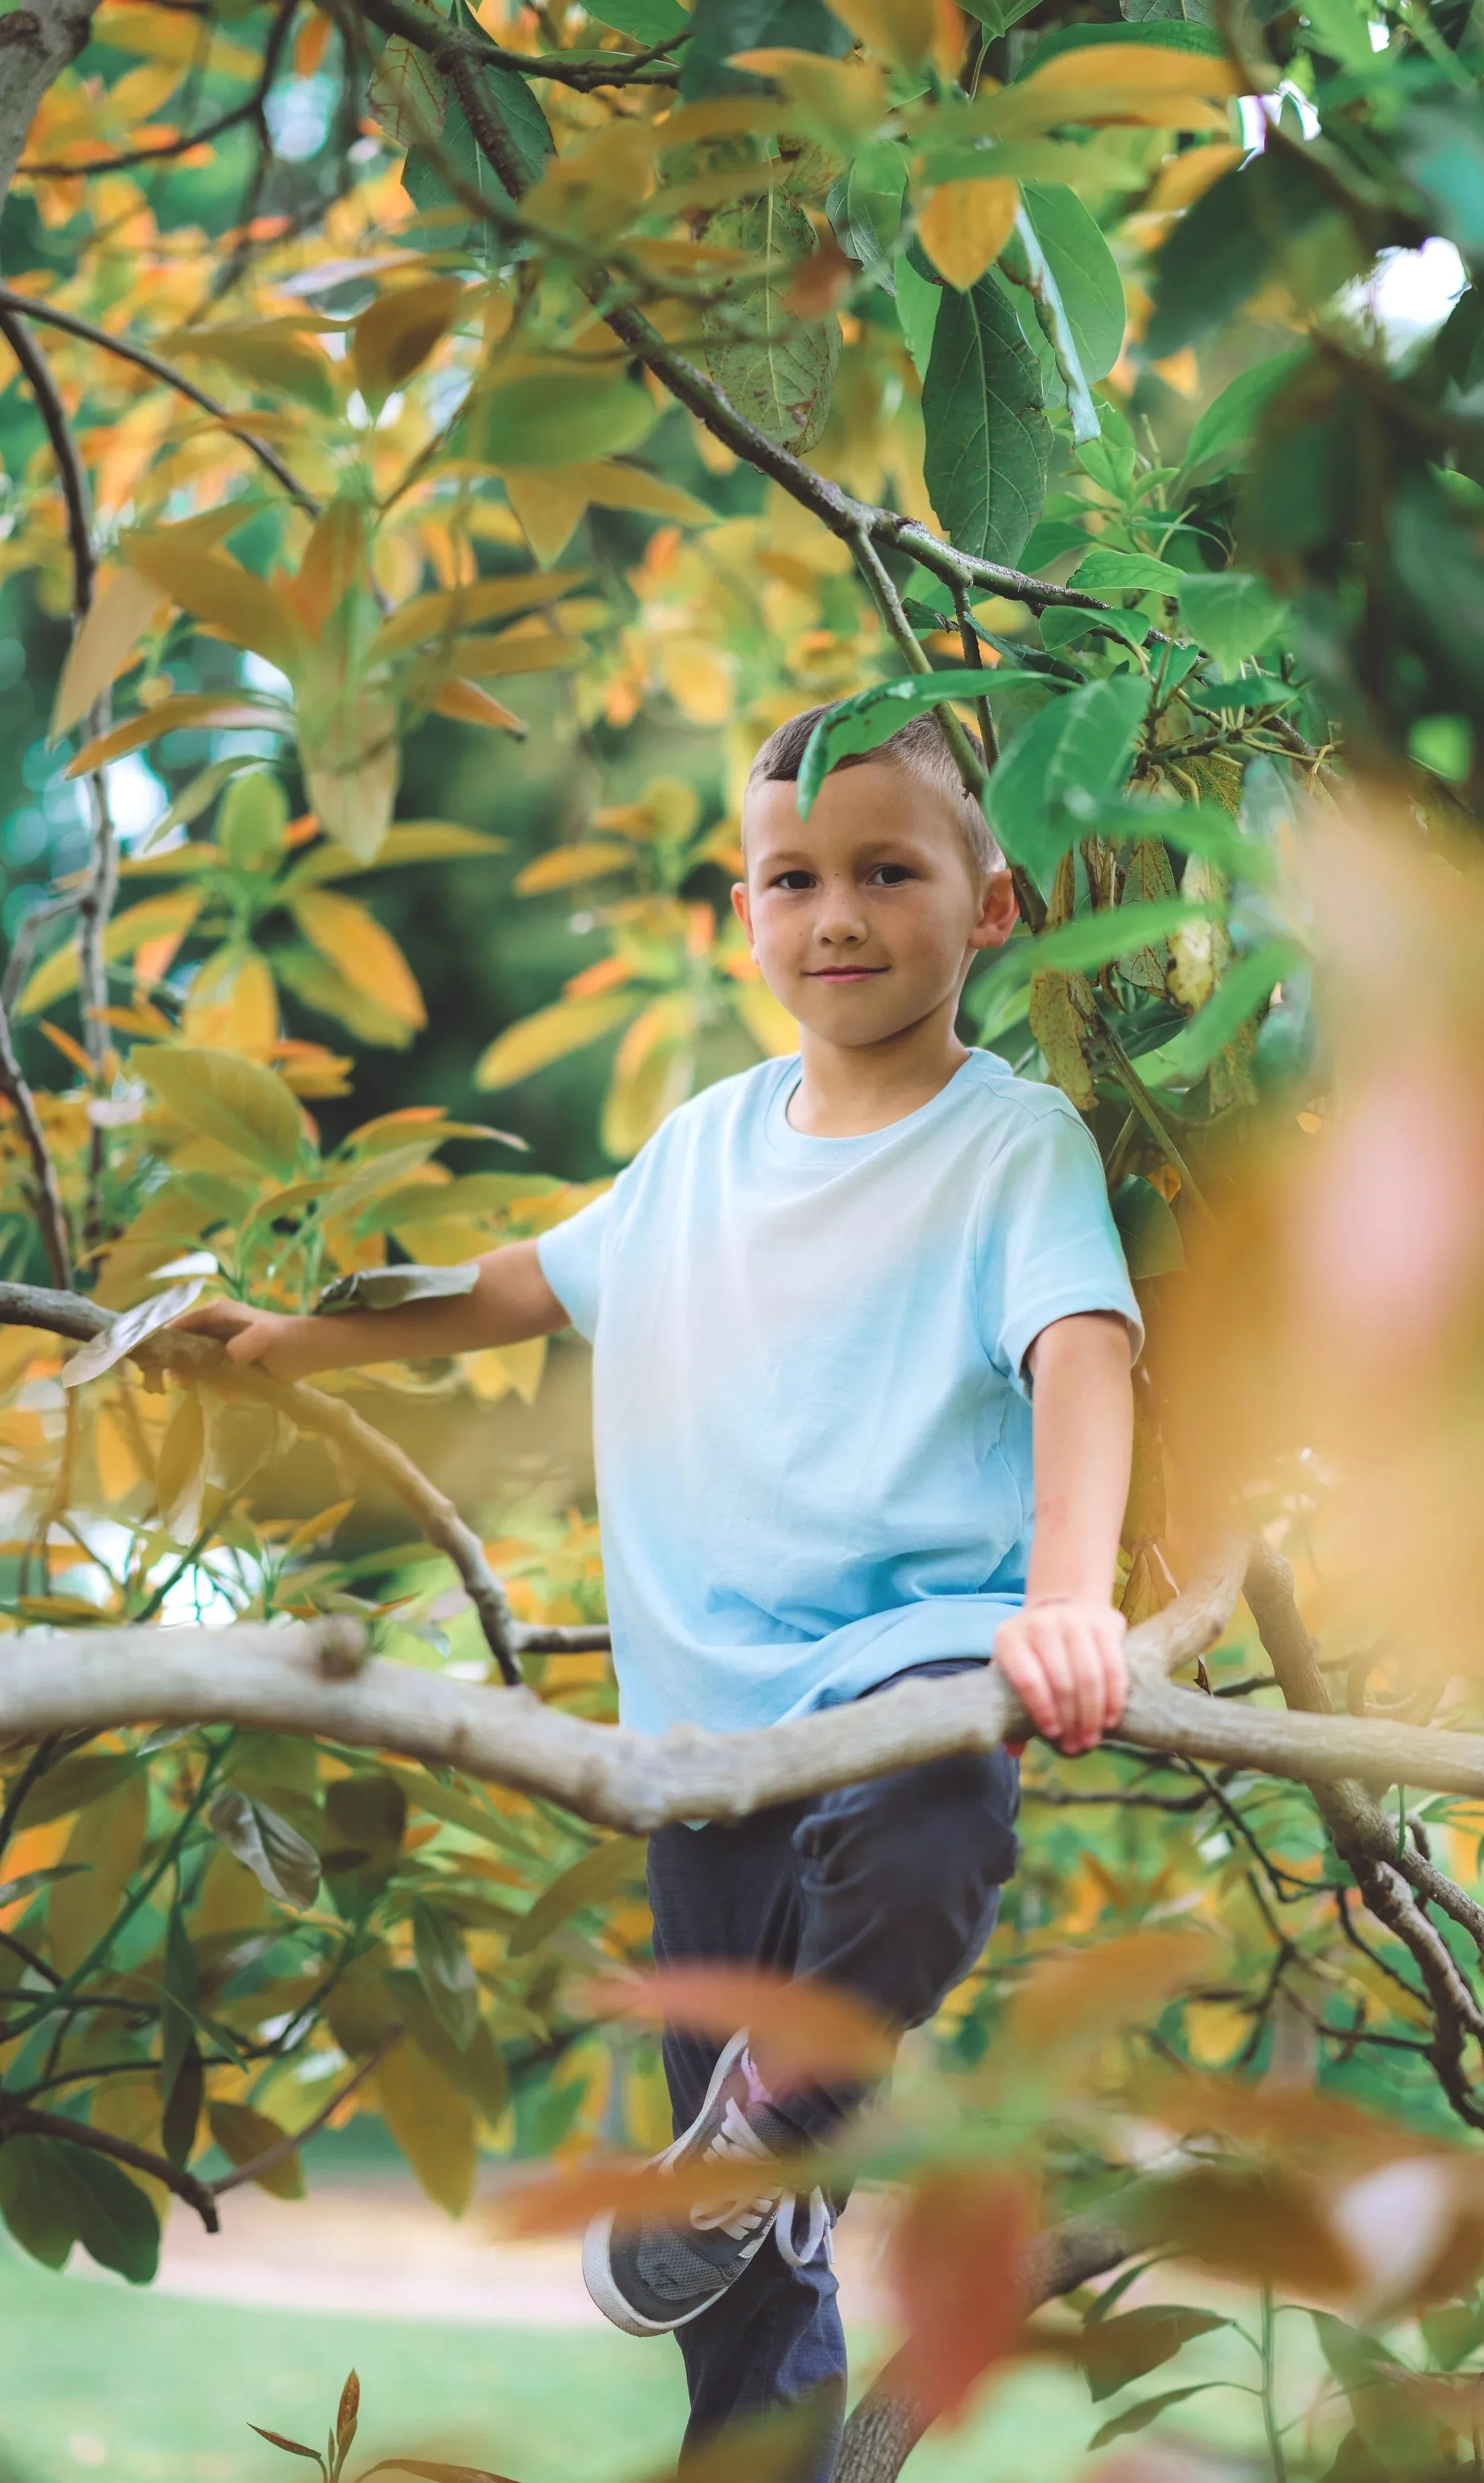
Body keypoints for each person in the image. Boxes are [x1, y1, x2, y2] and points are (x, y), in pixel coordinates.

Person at [179, 706, 1141, 2478]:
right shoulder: (699, 1147)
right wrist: (285, 1342)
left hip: (910, 1663)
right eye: (796, 878)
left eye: (886, 871)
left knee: (932, 1825)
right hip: (702, 1727)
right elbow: (507, 1285)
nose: (836, 913)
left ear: (991, 904)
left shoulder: (1014, 1147)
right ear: (744, 912)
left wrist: (1067, 1600)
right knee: (732, 2267)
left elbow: (1083, 1348)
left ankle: (780, 2112)